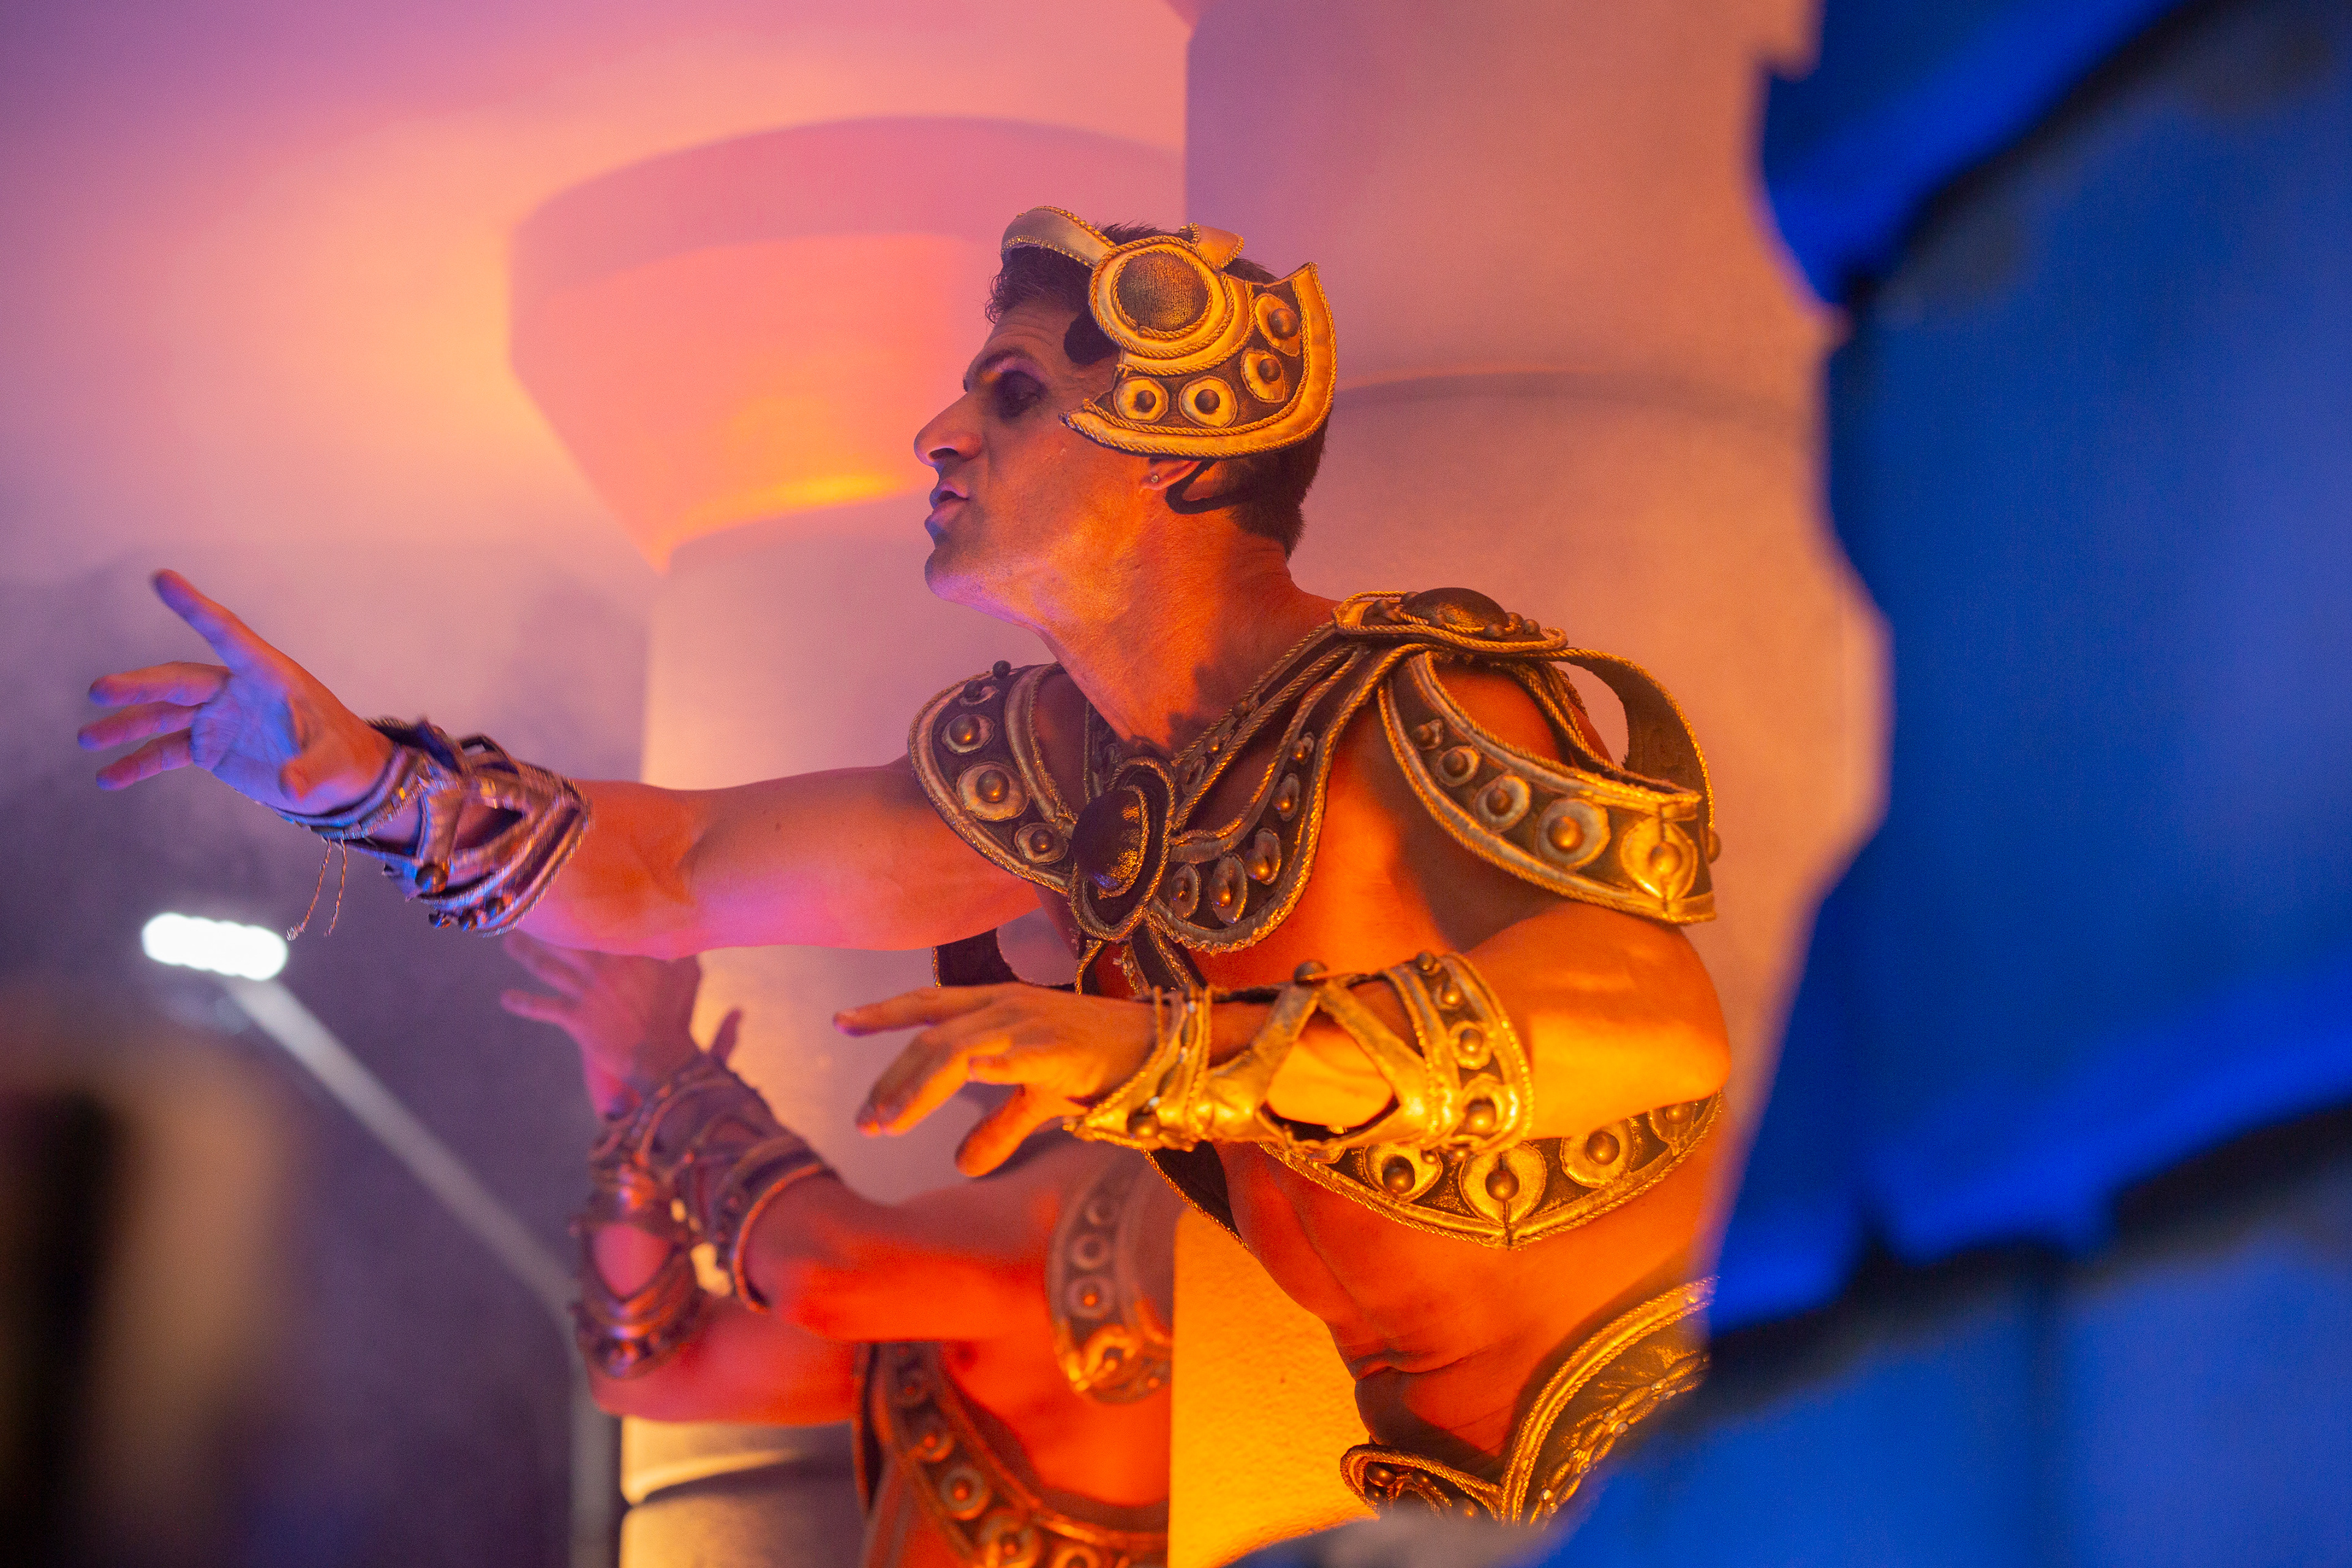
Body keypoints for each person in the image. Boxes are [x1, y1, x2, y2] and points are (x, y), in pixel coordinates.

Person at [82, 208, 1732, 1524]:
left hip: (1687, 1436)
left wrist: (1164, 1051)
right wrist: (370, 784)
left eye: (1010, 394)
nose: (938, 432)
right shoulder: (1066, 784)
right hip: (1450, 1490)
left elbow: (1660, 1024)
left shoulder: (1414, 699)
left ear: (1177, 449)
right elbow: (678, 870)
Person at [500, 931, 1177, 1568]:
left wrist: (665, 1077)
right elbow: (653, 1374)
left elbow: (825, 1276)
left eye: (1025, 935)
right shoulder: (968, 1299)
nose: (951, 977)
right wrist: (636, 1129)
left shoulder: (1151, 1206)